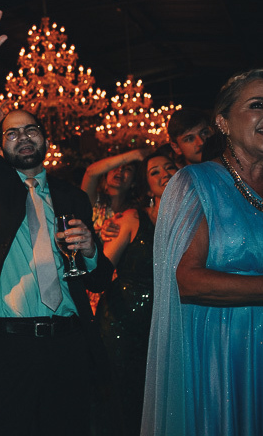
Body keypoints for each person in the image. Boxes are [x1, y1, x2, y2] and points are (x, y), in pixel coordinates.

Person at [0, 11, 116, 435]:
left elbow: (99, 279)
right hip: (5, 346)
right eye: (12, 133)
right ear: (0, 145)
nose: (23, 137)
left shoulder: (71, 196)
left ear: (44, 138)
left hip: (69, 344)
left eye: (31, 129)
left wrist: (91, 251)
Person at [142, 68, 263, 435]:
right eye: (257, 105)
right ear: (223, 122)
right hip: (222, 351)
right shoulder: (194, 183)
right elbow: (185, 281)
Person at [95, 152, 177, 435]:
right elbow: (100, 272)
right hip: (121, 321)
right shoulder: (132, 218)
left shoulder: (190, 219)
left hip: (164, 321)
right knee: (124, 400)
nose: (164, 174)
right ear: (147, 186)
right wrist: (95, 240)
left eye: (169, 167)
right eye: (155, 172)